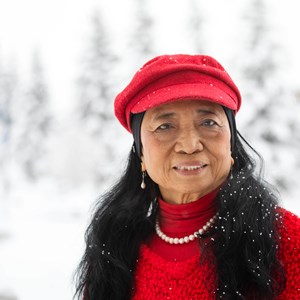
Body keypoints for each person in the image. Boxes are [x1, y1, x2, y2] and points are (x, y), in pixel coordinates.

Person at [74, 54, 300, 299]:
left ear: (231, 143)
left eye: (208, 122)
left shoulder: (285, 241)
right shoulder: (114, 253)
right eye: (165, 126)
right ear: (141, 154)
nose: (190, 145)